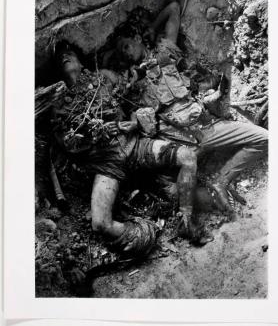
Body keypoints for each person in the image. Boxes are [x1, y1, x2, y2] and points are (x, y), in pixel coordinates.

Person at [109, 0, 268, 216]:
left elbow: (173, 7)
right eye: (121, 53)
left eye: (126, 46)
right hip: (179, 143)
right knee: (177, 196)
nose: (125, 54)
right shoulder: (129, 81)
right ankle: (202, 203)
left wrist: (150, 29)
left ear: (137, 39)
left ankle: (221, 181)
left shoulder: (164, 50)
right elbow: (106, 78)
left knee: (264, 138)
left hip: (206, 127)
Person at [51, 40, 207, 257]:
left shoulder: (103, 76)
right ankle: (146, 234)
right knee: (100, 224)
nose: (64, 57)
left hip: (135, 146)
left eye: (69, 53)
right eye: (60, 58)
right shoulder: (59, 104)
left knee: (187, 156)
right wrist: (89, 135)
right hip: (107, 164)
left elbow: (133, 101)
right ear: (56, 70)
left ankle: (186, 221)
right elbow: (68, 145)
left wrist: (133, 121)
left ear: (80, 59)